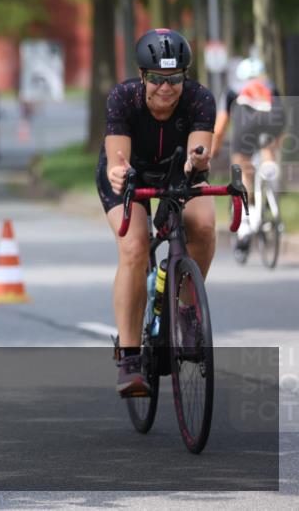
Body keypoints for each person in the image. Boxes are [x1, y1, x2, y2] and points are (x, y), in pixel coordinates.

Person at [98, 29, 216, 396]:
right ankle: (130, 357)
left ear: (186, 75)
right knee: (134, 248)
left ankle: (184, 310)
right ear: (142, 74)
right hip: (128, 176)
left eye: (176, 78)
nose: (167, 88)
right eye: (158, 80)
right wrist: (118, 174)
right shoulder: (122, 98)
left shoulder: (200, 100)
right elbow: (118, 158)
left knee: (203, 224)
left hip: (177, 170)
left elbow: (199, 154)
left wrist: (196, 160)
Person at [211, 57, 285, 247]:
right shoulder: (270, 86)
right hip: (273, 120)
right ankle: (269, 173)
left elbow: (220, 128)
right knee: (267, 148)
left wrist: (214, 150)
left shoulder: (232, 90)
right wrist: (275, 146)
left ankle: (244, 222)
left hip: (246, 123)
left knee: (242, 169)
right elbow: (281, 120)